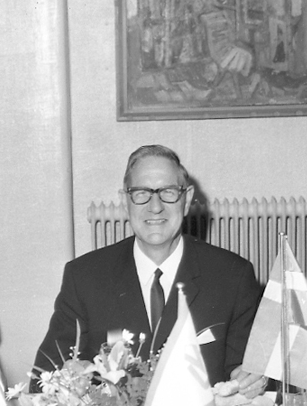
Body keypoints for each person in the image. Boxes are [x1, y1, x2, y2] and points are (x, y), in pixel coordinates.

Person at [34, 144, 264, 392]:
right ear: (125, 202)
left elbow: (254, 374)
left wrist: (252, 381)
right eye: (141, 193)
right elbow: (42, 380)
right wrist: (65, 383)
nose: (155, 207)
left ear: (186, 200)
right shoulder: (84, 277)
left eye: (168, 192)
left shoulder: (233, 276)